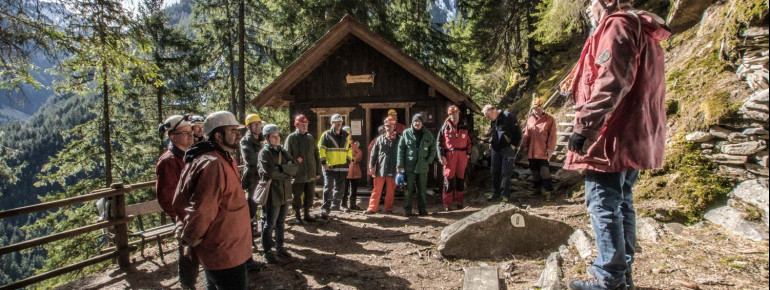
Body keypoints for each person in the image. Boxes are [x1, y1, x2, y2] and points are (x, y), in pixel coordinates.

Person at [562, 0, 669, 289]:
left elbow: (612, 80)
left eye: (590, 2)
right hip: (635, 133)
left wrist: (585, 127)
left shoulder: (618, 25)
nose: (587, 9)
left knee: (603, 203)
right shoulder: (641, 29)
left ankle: (608, 278)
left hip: (613, 134)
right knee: (622, 203)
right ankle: (621, 275)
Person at [173, 111, 251, 290]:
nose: (238, 135)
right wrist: (190, 240)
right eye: (233, 131)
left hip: (228, 246)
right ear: (218, 136)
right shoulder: (213, 164)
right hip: (224, 250)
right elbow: (202, 209)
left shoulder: (221, 158)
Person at [155, 115, 197, 289]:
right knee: (188, 252)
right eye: (185, 133)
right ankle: (187, 285)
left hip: (195, 212)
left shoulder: (189, 156)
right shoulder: (169, 161)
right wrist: (182, 217)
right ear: (172, 137)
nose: (190, 135)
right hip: (185, 216)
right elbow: (166, 197)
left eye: (190, 131)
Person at [258, 124, 298, 264]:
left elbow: (295, 168)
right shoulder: (264, 153)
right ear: (267, 138)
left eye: (278, 136)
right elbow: (271, 173)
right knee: (270, 223)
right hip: (273, 193)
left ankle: (280, 247)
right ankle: (267, 251)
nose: (276, 138)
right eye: (273, 136)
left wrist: (280, 168)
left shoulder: (283, 151)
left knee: (281, 222)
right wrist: (286, 170)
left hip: (285, 191)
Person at [284, 114, 321, 224]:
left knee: (309, 194)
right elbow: (286, 155)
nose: (305, 126)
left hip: (310, 172)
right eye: (302, 124)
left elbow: (316, 155)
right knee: (297, 195)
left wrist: (318, 171)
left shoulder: (310, 138)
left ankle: (306, 214)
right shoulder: (291, 138)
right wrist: (291, 169)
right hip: (298, 173)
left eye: (306, 124)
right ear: (297, 125)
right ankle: (297, 215)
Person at [397, 113, 436, 217]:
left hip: (422, 167)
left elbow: (433, 148)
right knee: (408, 190)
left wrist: (429, 160)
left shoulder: (428, 134)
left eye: (418, 121)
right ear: (412, 122)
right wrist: (400, 165)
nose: (416, 123)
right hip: (409, 167)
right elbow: (400, 150)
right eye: (415, 121)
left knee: (422, 190)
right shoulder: (406, 133)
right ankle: (407, 210)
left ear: (422, 123)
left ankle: (422, 210)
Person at [482, 104, 522, 203]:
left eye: (488, 115)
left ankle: (505, 194)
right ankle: (495, 193)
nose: (488, 118)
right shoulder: (493, 120)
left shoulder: (507, 116)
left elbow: (518, 132)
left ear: (493, 110)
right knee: (494, 171)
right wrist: (492, 143)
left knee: (506, 172)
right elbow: (495, 133)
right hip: (496, 149)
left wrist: (514, 145)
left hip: (507, 148)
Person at [436, 105, 472, 211]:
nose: (454, 116)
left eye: (455, 114)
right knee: (448, 179)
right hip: (449, 156)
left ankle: (459, 202)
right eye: (452, 114)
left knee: (461, 179)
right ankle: (447, 204)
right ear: (449, 115)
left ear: (458, 114)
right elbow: (439, 143)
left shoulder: (464, 127)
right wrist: (441, 156)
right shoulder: (444, 127)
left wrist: (468, 154)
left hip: (462, 156)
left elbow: (469, 142)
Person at [521, 97, 557, 201]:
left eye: (537, 108)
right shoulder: (530, 119)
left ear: (542, 106)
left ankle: (549, 191)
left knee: (544, 170)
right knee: (534, 171)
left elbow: (552, 136)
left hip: (543, 150)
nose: (535, 110)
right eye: (534, 109)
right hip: (531, 151)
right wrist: (525, 146)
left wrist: (550, 149)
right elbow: (527, 134)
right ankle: (537, 189)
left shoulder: (549, 119)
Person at [318, 114, 353, 218]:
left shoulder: (346, 135)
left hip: (342, 167)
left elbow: (349, 149)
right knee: (328, 188)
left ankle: (335, 206)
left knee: (340, 188)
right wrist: (324, 163)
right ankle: (325, 209)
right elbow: (321, 149)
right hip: (330, 166)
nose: (339, 124)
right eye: (336, 122)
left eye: (340, 122)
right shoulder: (326, 135)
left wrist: (348, 161)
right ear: (332, 123)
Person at [364, 116, 400, 214]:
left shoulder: (399, 139)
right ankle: (372, 208)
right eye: (387, 126)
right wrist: (371, 166)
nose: (388, 128)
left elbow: (402, 154)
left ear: (394, 126)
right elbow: (373, 153)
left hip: (393, 169)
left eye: (390, 126)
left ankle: (388, 209)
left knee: (390, 191)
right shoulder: (379, 139)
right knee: (376, 190)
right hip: (380, 169)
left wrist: (401, 167)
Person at [240, 113, 264, 237]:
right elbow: (252, 160)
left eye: (259, 124)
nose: (258, 126)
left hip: (264, 175)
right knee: (252, 203)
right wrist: (264, 151)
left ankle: (264, 227)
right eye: (255, 124)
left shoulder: (264, 138)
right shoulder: (245, 141)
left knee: (267, 201)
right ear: (249, 127)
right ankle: (250, 227)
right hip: (253, 176)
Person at [342, 126, 363, 211]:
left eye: (349, 133)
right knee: (344, 189)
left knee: (353, 188)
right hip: (346, 168)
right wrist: (352, 159)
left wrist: (354, 159)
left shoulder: (352, 143)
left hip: (354, 169)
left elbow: (359, 152)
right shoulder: (342, 143)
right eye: (347, 133)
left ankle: (352, 204)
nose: (348, 135)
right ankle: (343, 204)